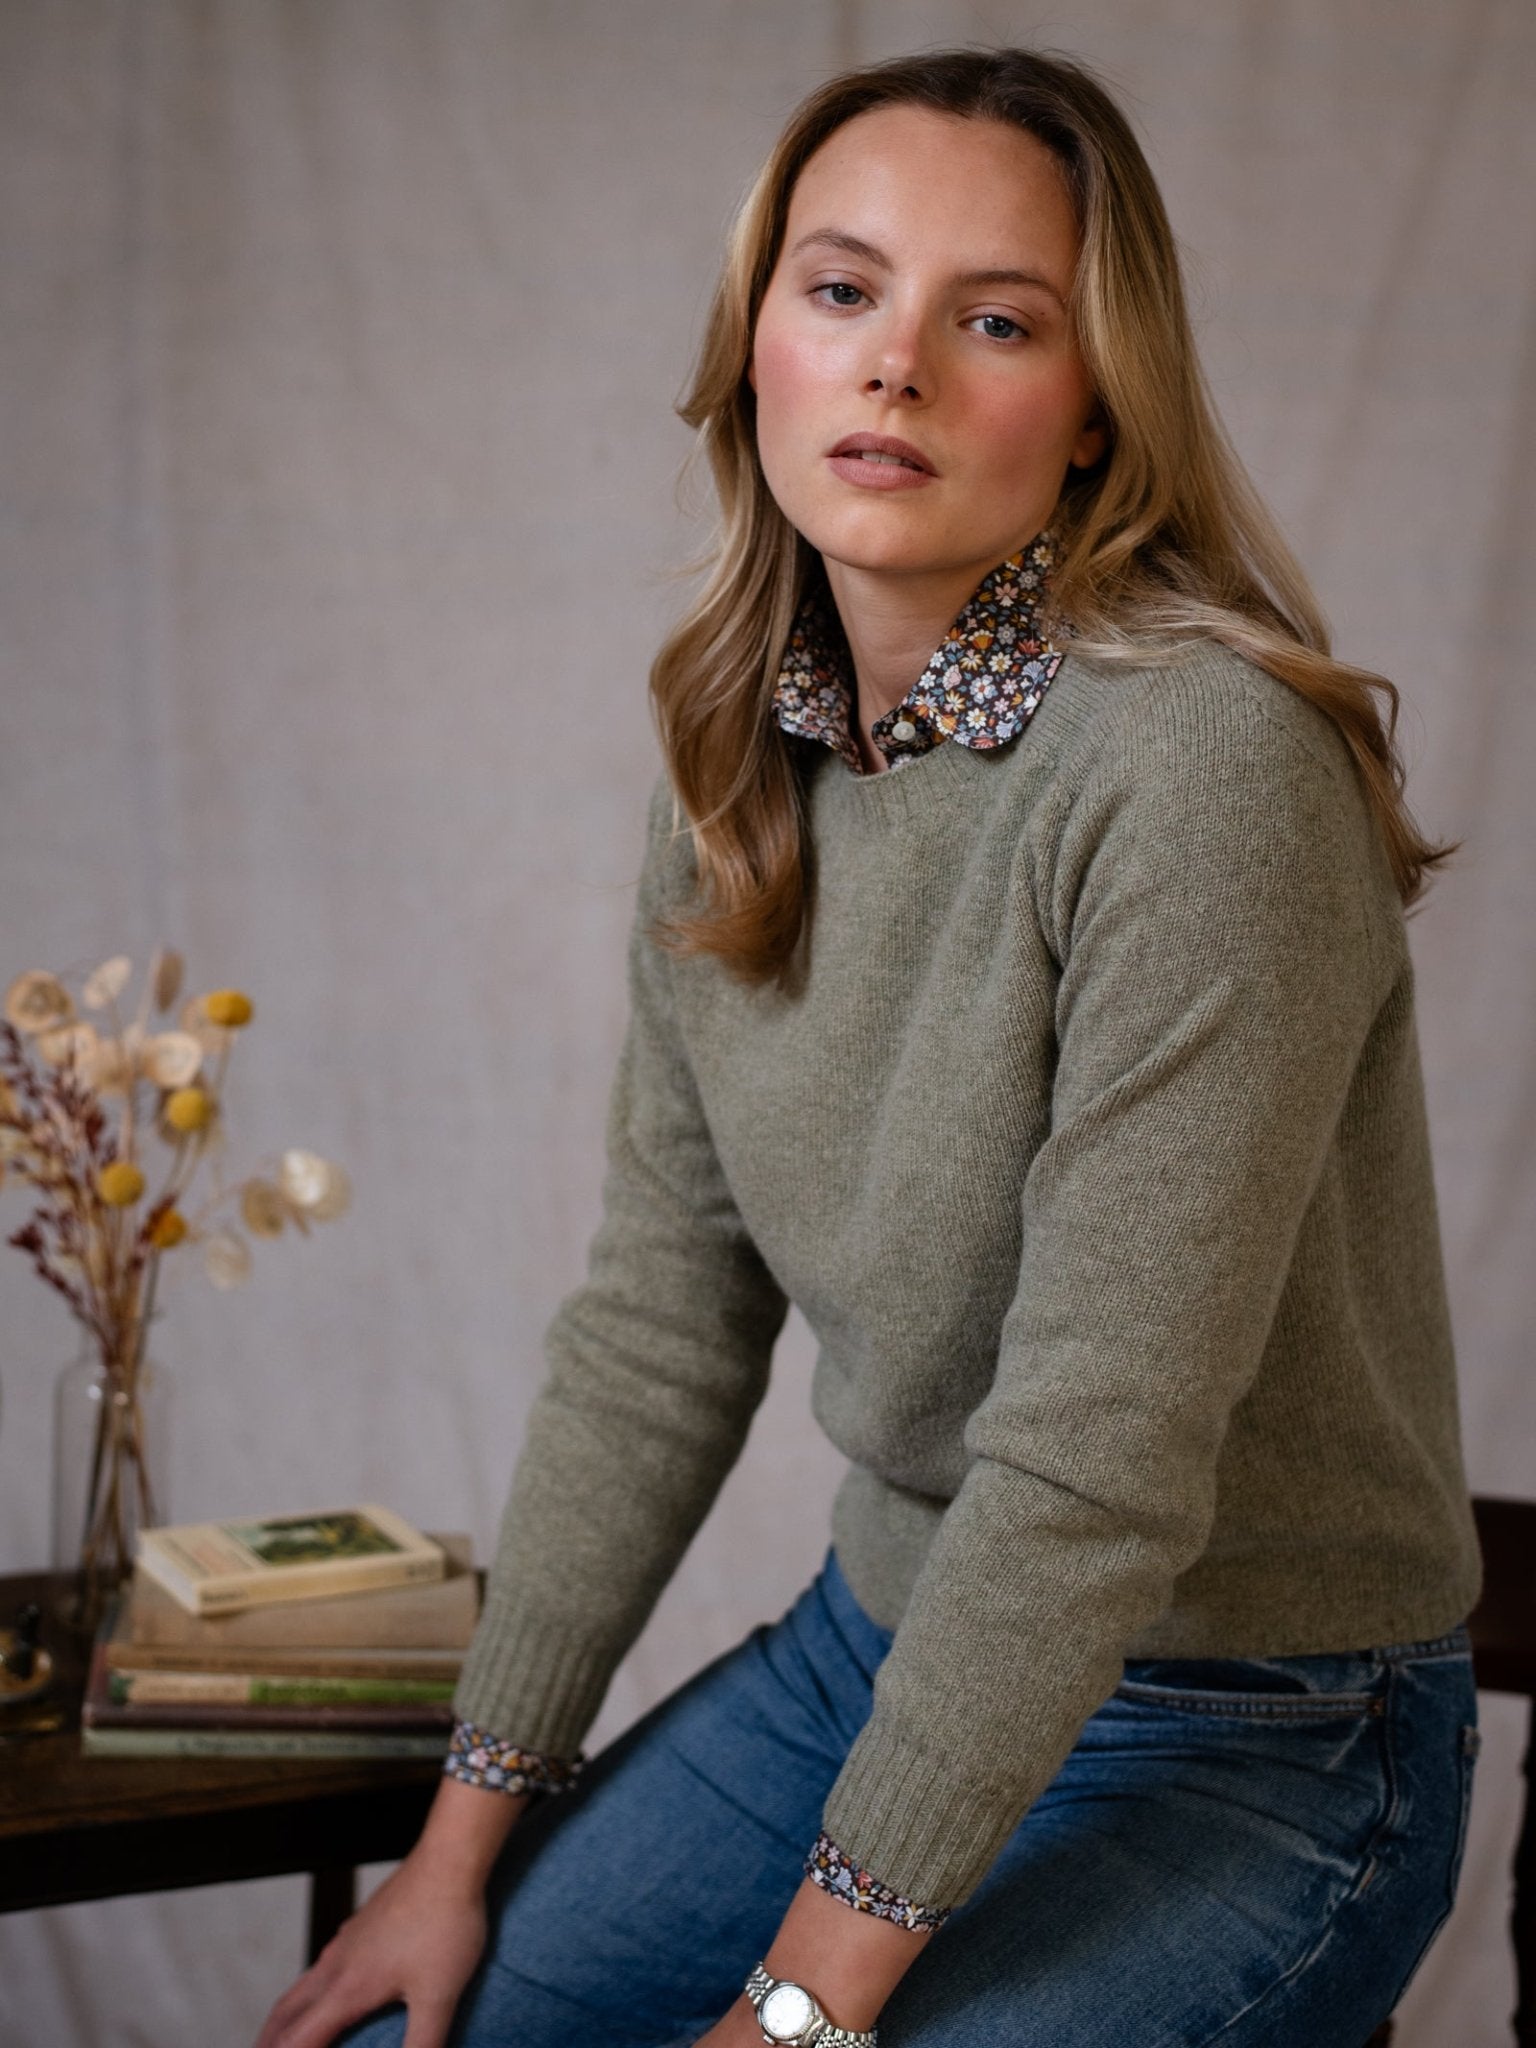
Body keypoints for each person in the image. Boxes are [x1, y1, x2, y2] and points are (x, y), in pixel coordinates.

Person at [256, 45, 1483, 2048]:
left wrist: (806, 2011)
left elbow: (1093, 1464)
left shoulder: (1202, 775)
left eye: (994, 319)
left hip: (1260, 1728)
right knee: (454, 2027)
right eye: (841, 291)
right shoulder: (734, 763)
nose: (895, 363)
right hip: (881, 1650)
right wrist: (454, 1851)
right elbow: (660, 1329)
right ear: (761, 352)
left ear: (1095, 416)